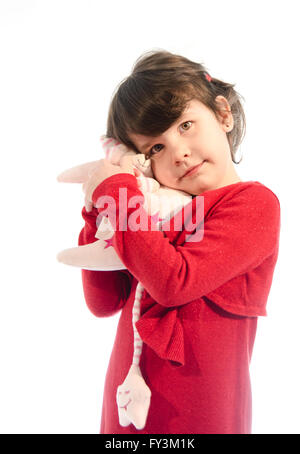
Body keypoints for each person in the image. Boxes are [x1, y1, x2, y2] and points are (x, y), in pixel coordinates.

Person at [78, 50, 281, 434]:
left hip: (200, 414)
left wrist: (120, 196)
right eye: (155, 148)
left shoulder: (253, 204)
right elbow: (103, 301)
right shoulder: (147, 211)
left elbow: (174, 283)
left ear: (223, 114)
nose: (179, 153)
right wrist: (101, 210)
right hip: (127, 410)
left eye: (186, 125)